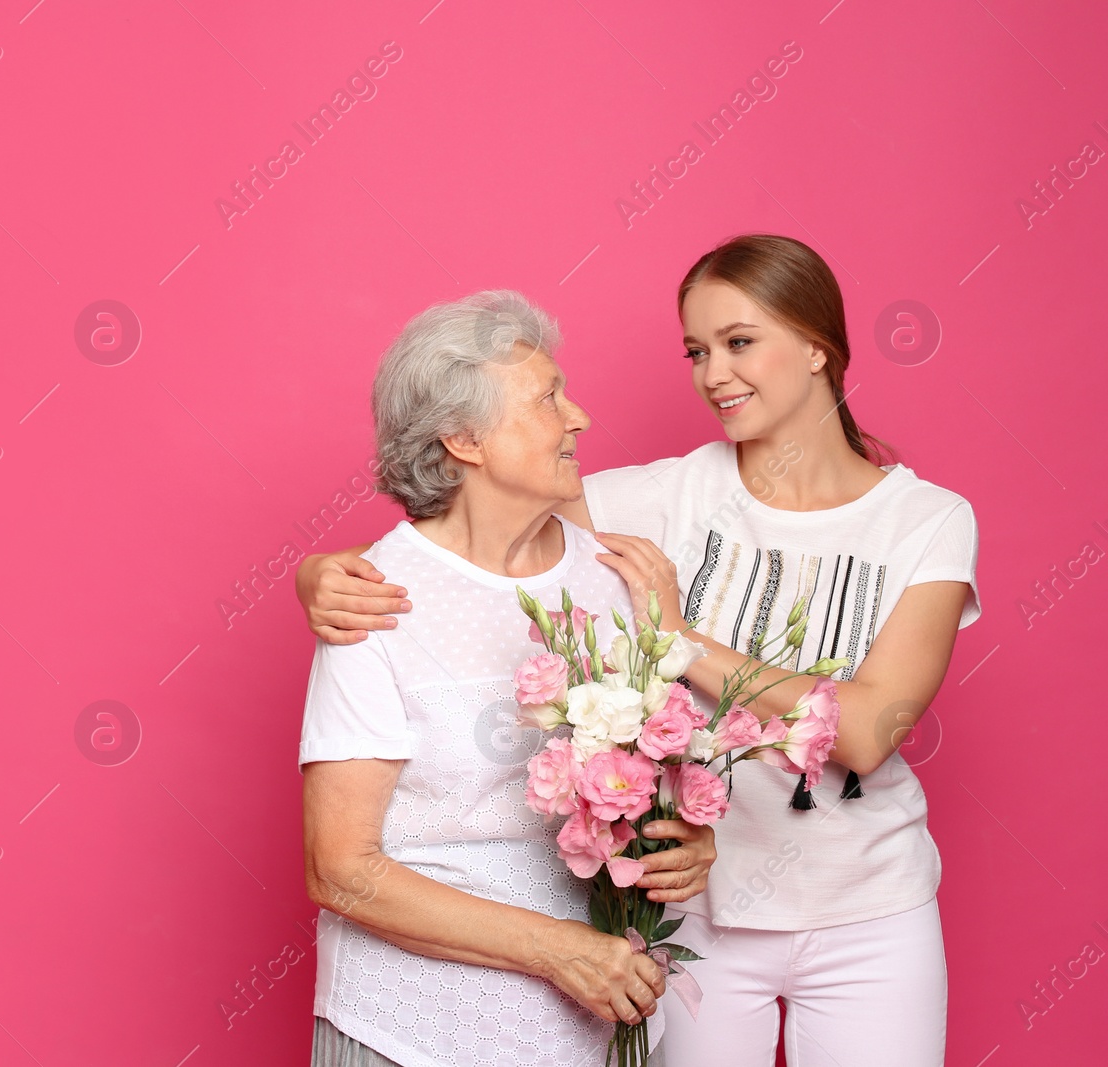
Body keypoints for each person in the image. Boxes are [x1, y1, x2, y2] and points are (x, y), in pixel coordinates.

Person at [297, 235, 979, 1067]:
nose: (713, 374)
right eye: (696, 350)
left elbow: (867, 730)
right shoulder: (660, 497)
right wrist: (320, 574)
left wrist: (676, 637)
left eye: (739, 342)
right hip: (701, 921)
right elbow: (475, 518)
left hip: (865, 899)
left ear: (817, 344)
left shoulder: (927, 520)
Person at [301, 291, 717, 1067]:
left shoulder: (624, 579)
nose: (580, 416)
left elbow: (655, 784)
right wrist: (555, 949)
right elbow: (341, 870)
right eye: (548, 397)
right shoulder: (375, 599)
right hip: (410, 1035)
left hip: (607, 1036)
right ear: (463, 438)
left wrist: (687, 840)